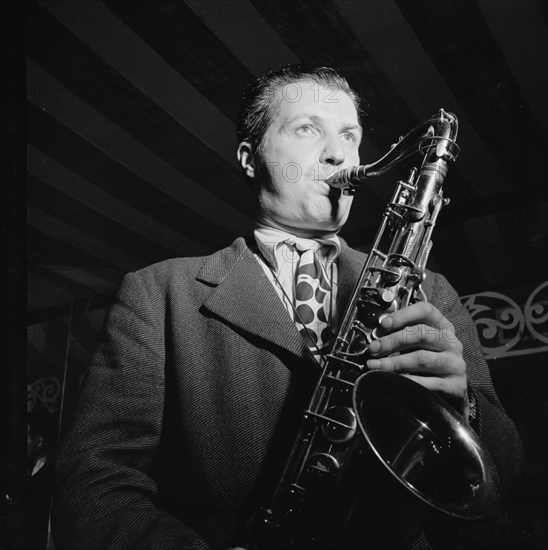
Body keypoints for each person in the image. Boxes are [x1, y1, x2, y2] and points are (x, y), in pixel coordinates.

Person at [52, 65, 524, 550]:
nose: (339, 153)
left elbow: (506, 473)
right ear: (249, 159)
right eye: (307, 129)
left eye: (349, 135)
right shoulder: (159, 291)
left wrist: (461, 404)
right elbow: (93, 483)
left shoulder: (430, 288)